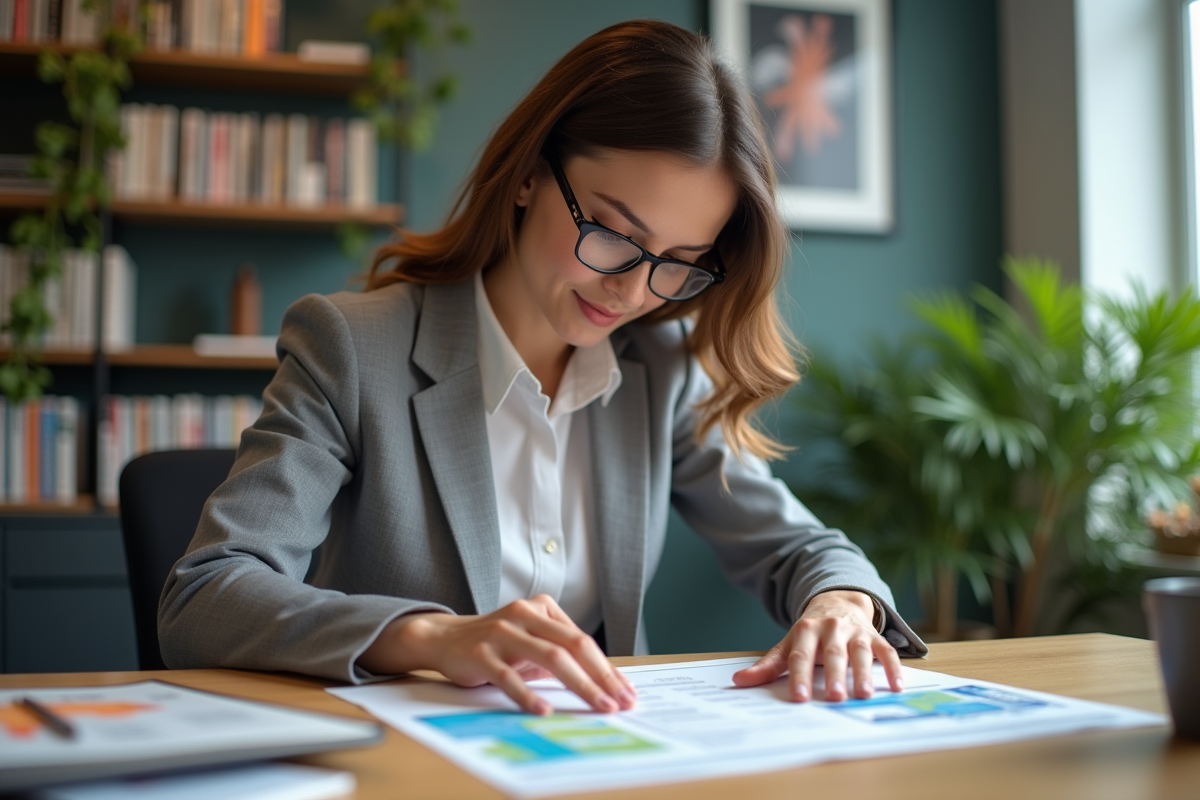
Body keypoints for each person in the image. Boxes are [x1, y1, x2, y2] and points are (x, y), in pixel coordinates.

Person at [159, 19, 926, 716]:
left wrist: (843, 602)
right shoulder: (354, 347)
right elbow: (206, 594)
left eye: (680, 264)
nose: (631, 289)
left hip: (597, 756)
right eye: (614, 233)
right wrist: (431, 638)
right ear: (529, 174)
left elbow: (800, 548)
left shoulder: (659, 370)